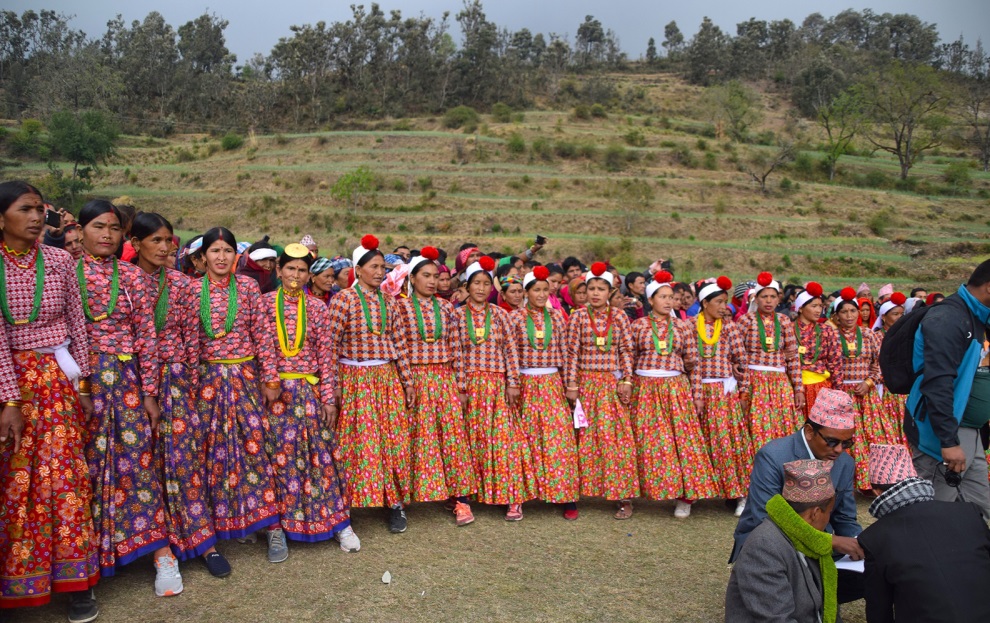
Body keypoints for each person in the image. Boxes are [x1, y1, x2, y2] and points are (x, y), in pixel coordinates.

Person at [0, 181, 100, 621]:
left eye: (41, 208)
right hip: (11, 383)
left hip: (58, 382)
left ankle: (76, 583)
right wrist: (10, 401)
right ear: (2, 218)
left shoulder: (60, 260)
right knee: (14, 484)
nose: (38, 216)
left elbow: (78, 326)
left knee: (64, 481)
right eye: (26, 209)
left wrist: (84, 386)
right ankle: (15, 581)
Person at [74, 200, 179, 595]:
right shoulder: (67, 273)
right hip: (81, 385)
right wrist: (80, 383)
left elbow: (146, 340)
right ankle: (90, 560)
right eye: (98, 226)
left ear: (124, 236)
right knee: (88, 468)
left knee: (138, 463)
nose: (106, 235)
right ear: (81, 230)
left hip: (127, 381)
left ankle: (160, 554)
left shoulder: (132, 278)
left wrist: (149, 393)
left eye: (114, 228)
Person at [130, 213, 231, 578]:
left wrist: (187, 384)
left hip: (174, 382)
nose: (163, 247)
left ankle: (203, 541)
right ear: (136, 241)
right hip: (128, 382)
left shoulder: (182, 284)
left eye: (168, 241)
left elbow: (192, 342)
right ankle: (155, 549)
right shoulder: (125, 280)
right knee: (139, 466)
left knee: (183, 461)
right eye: (155, 240)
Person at [195, 227, 285, 563]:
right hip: (208, 381)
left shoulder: (247, 287)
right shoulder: (192, 290)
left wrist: (270, 379)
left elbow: (263, 337)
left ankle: (272, 527)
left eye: (227, 251)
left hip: (246, 378)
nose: (221, 257)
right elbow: (191, 342)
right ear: (203, 256)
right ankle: (225, 525)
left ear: (237, 256)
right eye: (214, 251)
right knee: (213, 453)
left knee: (256, 448)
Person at [262, 244, 359, 552]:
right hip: (274, 395)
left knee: (322, 460)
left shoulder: (318, 308)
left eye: (302, 270)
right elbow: (262, 349)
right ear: (279, 271)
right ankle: (276, 528)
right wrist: (270, 382)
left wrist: (329, 398)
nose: (296, 275)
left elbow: (326, 357)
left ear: (309, 275)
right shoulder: (263, 304)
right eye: (290, 268)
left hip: (309, 394)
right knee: (278, 461)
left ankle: (339, 524)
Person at [732, 388, 864, 604]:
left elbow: (844, 518)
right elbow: (763, 519)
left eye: (847, 443)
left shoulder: (845, 463)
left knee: (874, 573)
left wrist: (860, 544)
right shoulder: (773, 456)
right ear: (810, 431)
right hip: (770, 546)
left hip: (821, 549)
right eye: (832, 442)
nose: (840, 450)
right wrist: (830, 542)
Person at [326, 235, 413, 533]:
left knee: (391, 441)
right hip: (355, 380)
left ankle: (395, 504)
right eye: (374, 266)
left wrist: (407, 381)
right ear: (358, 269)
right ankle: (346, 506)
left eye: (383, 268)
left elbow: (399, 344)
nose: (380, 272)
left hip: (386, 379)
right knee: (354, 443)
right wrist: (333, 385)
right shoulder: (343, 300)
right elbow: (330, 346)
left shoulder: (390, 301)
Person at [859, 443, 990, 623]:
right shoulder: (968, 512)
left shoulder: (875, 537)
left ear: (876, 491)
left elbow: (879, 608)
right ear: (915, 479)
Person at [395, 246, 477, 526]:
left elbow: (457, 348)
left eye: (435, 275)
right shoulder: (401, 306)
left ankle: (461, 501)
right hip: (415, 379)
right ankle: (405, 498)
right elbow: (400, 348)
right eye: (425, 275)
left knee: (453, 439)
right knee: (414, 438)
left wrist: (461, 386)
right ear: (413, 278)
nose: (432, 281)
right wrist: (407, 382)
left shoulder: (445, 307)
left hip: (444, 380)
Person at [452, 256, 535, 520]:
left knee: (504, 442)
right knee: (467, 443)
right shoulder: (456, 315)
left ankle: (512, 498)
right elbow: (457, 354)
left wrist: (512, 382)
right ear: (467, 286)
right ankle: (463, 499)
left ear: (492, 288)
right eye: (476, 283)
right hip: (469, 387)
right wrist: (461, 387)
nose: (480, 288)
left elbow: (510, 352)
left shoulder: (500, 315)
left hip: (497, 387)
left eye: (486, 284)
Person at [906, 258, 990, 520]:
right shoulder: (949, 317)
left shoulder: (975, 315)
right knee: (936, 512)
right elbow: (937, 382)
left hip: (970, 433)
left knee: (978, 509)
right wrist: (948, 441)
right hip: (942, 433)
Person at [630, 271, 719, 518]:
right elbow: (629, 357)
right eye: (663, 297)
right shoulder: (637, 326)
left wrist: (697, 393)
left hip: (675, 389)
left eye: (671, 297)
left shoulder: (682, 326)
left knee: (683, 442)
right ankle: (643, 492)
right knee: (649, 442)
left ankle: (686, 497)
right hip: (645, 388)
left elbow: (694, 363)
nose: (669, 302)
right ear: (651, 299)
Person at [564, 262, 639, 519]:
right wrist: (572, 384)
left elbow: (626, 350)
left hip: (610, 385)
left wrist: (627, 380)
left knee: (616, 440)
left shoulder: (619, 317)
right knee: (582, 439)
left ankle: (623, 496)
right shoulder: (577, 317)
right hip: (584, 385)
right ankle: (578, 493)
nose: (595, 293)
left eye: (601, 289)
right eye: (591, 288)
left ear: (611, 291)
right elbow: (572, 353)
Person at [725, 459, 838, 623]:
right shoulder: (764, 548)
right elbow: (776, 619)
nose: (829, 519)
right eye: (829, 512)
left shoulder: (809, 539)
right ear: (815, 513)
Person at [510, 266, 579, 520]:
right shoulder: (515, 318)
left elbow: (568, 353)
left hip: (552, 383)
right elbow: (511, 354)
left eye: (544, 290)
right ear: (526, 292)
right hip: (525, 384)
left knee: (558, 438)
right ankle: (520, 496)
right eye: (536, 290)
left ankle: (566, 495)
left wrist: (570, 384)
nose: (541, 294)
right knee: (523, 439)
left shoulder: (558, 317)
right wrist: (513, 382)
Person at [688, 276, 753, 517]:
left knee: (729, 443)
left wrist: (742, 389)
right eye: (718, 302)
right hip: (696, 392)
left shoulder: (730, 327)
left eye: (725, 302)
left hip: (724, 393)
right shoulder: (689, 326)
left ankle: (739, 494)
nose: (724, 307)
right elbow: (689, 362)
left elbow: (742, 361)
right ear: (705, 303)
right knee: (695, 444)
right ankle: (689, 496)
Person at [831, 287, 900, 491]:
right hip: (843, 395)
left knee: (875, 436)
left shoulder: (868, 335)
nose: (850, 316)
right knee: (848, 440)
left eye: (853, 311)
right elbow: (829, 365)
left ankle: (879, 480)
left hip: (866, 394)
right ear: (836, 316)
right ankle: (850, 483)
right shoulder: (831, 336)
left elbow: (879, 364)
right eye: (844, 312)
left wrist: (869, 383)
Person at [736, 272, 802, 450]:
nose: (768, 301)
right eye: (764, 296)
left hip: (780, 383)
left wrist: (798, 388)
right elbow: (736, 353)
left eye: (773, 296)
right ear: (755, 299)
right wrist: (741, 386)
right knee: (758, 428)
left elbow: (793, 357)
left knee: (782, 427)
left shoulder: (784, 321)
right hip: (754, 382)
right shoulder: (745, 320)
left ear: (778, 299)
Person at [793, 282, 843, 416]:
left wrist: (837, 391)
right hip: (794, 388)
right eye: (813, 306)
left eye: (820, 306)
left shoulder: (826, 331)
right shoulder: (789, 329)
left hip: (821, 388)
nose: (818, 310)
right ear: (800, 308)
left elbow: (835, 362)